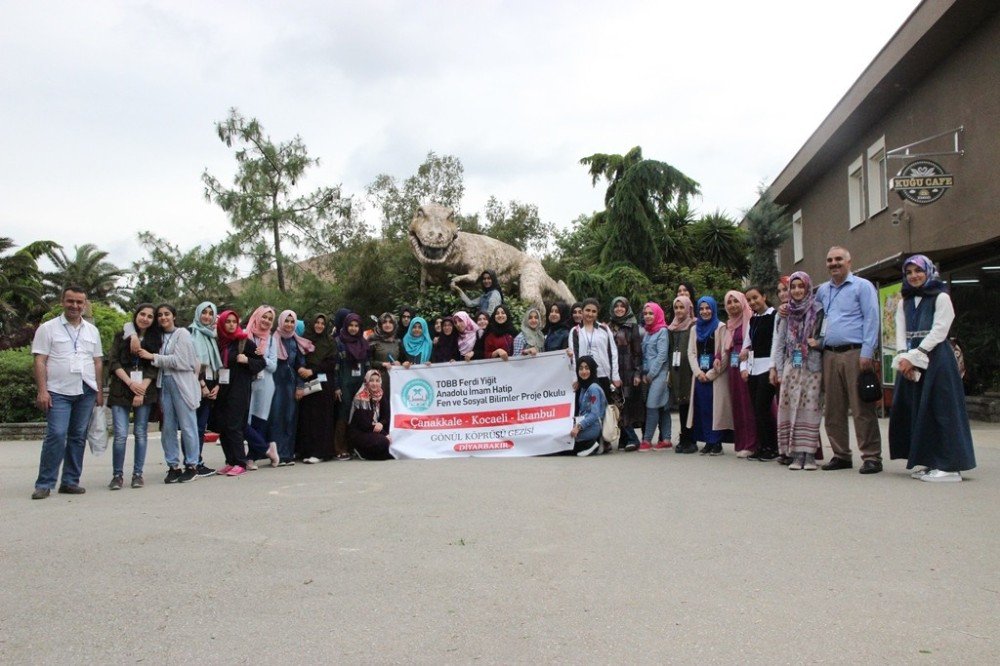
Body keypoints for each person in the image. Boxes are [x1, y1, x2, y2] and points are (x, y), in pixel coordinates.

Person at [889, 255, 975, 482]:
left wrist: (916, 356)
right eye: (909, 272)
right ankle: (930, 460)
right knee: (920, 410)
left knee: (941, 409)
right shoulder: (904, 301)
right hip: (912, 360)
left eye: (919, 271)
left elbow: (940, 330)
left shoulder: (941, 297)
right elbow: (900, 332)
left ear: (928, 272)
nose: (914, 276)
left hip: (937, 359)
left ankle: (949, 465)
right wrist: (902, 358)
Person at [31, 286, 104, 499]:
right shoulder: (48, 328)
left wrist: (98, 390)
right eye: (70, 301)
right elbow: (40, 360)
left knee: (78, 437)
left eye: (79, 302)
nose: (75, 306)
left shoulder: (92, 330)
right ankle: (44, 483)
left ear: (85, 304)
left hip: (86, 390)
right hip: (58, 391)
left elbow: (97, 362)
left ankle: (70, 481)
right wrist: (42, 391)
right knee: (56, 434)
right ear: (62, 301)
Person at [816, 246, 883, 474]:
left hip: (855, 353)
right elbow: (814, 317)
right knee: (833, 408)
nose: (833, 263)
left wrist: (867, 351)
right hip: (829, 354)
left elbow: (872, 318)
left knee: (861, 407)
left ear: (849, 262)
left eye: (838, 259)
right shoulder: (823, 291)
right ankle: (841, 454)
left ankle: (872, 456)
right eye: (829, 260)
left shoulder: (862, 287)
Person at [140, 304, 201, 484]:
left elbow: (182, 361)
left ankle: (192, 464)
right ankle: (173, 466)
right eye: (159, 315)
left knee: (188, 425)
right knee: (168, 427)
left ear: (174, 316)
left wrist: (153, 357)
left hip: (182, 383)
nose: (163, 318)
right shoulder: (156, 336)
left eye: (167, 314)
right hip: (164, 383)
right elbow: (133, 327)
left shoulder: (182, 334)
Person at [771, 273, 825, 470]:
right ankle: (794, 454)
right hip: (790, 367)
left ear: (808, 287)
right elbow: (779, 343)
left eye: (800, 286)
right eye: (793, 287)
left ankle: (809, 455)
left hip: (811, 366)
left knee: (810, 409)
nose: (796, 291)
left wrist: (817, 343)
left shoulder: (818, 310)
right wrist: (777, 369)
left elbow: (825, 335)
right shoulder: (786, 312)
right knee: (789, 409)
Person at [106, 303, 160, 490]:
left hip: (144, 389)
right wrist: (130, 383)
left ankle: (138, 474)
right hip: (122, 388)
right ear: (136, 315)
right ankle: (117, 475)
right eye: (142, 314)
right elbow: (113, 362)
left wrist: (141, 390)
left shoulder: (155, 339)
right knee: (120, 435)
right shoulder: (122, 335)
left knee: (140, 433)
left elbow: (154, 367)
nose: (145, 318)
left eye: (149, 316)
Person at [208, 310, 265, 476]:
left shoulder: (244, 342)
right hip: (222, 389)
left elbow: (261, 362)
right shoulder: (220, 343)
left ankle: (241, 462)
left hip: (239, 389)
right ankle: (230, 461)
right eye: (228, 322)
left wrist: (247, 360)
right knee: (223, 426)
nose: (232, 324)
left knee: (235, 425)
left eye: (234, 321)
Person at [687, 296, 733, 455]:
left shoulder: (720, 327)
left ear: (713, 309)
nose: (705, 311)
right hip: (700, 374)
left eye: (708, 308)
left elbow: (725, 354)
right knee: (702, 408)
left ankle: (717, 442)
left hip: (716, 374)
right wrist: (698, 372)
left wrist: (711, 374)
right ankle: (707, 441)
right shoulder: (694, 328)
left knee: (716, 408)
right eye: (701, 309)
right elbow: (691, 353)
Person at [269, 310, 313, 465]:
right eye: (286, 321)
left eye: (291, 321)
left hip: (291, 384)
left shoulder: (296, 341)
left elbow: (301, 365)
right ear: (281, 322)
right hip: (275, 384)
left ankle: (287, 454)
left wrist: (300, 386)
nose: (289, 324)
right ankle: (277, 454)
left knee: (290, 418)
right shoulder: (272, 339)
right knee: (276, 418)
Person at [741, 286, 779, 462]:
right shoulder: (753, 320)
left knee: (763, 407)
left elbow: (776, 343)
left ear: (764, 296)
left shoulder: (775, 316)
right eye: (749, 300)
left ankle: (772, 446)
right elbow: (747, 345)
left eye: (755, 298)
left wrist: (773, 366)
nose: (753, 302)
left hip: (768, 366)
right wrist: (744, 366)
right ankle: (762, 445)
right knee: (757, 409)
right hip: (753, 368)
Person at [297, 313, 337, 464]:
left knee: (322, 418)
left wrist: (312, 371)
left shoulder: (330, 342)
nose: (319, 325)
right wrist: (303, 370)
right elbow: (299, 358)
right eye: (317, 322)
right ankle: (307, 450)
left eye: (322, 323)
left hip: (323, 383)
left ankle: (320, 452)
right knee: (308, 417)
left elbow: (331, 363)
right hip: (307, 382)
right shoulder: (304, 340)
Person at [189, 301, 221, 477]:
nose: (207, 316)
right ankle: (192, 461)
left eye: (210, 313)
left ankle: (197, 460)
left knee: (201, 426)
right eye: (204, 312)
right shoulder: (192, 333)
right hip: (196, 385)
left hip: (210, 386)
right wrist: (202, 385)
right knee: (193, 426)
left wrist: (216, 385)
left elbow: (216, 365)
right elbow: (192, 363)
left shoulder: (212, 336)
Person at [722, 290, 757, 457]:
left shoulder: (749, 319)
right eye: (729, 302)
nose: (733, 305)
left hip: (747, 365)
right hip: (733, 366)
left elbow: (752, 343)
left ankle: (752, 444)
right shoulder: (730, 323)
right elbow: (725, 346)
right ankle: (742, 442)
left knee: (748, 405)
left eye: (736, 301)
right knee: (738, 404)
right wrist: (717, 357)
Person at [245, 305, 279, 467]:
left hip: (265, 384)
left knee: (259, 420)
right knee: (244, 421)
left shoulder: (272, 339)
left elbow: (273, 366)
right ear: (257, 316)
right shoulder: (245, 336)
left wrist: (262, 357)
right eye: (264, 317)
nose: (266, 321)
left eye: (270, 319)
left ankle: (251, 457)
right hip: (247, 382)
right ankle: (267, 448)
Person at [608, 297, 644, 451]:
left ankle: (632, 438)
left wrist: (637, 372)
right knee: (617, 403)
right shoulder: (609, 326)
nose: (619, 309)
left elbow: (637, 352)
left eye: (622, 307)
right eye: (616, 306)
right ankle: (625, 438)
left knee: (625, 404)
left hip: (629, 370)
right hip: (614, 370)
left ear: (627, 308)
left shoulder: (632, 326)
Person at [333, 313, 370, 461]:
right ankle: (339, 448)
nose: (353, 329)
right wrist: (336, 386)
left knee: (358, 414)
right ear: (345, 326)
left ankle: (353, 447)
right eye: (351, 325)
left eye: (356, 326)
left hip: (360, 382)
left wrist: (368, 384)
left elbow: (367, 364)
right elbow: (335, 367)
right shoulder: (338, 342)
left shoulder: (363, 343)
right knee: (343, 414)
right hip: (344, 382)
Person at [640, 302, 672, 450]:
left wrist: (651, 375)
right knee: (662, 406)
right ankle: (666, 439)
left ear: (657, 314)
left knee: (652, 405)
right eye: (645, 313)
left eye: (651, 313)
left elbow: (662, 356)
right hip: (649, 375)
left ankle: (646, 440)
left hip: (659, 374)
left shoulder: (662, 331)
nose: (647, 316)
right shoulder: (648, 332)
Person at [668, 295, 697, 454]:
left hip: (689, 370)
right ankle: (684, 437)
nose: (679, 311)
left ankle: (690, 438)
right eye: (676, 308)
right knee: (681, 404)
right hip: (677, 370)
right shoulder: (672, 328)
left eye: (682, 307)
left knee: (690, 404)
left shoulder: (693, 325)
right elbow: (671, 350)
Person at [348, 370, 393, 460]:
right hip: (361, 432)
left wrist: (381, 423)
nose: (374, 384)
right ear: (366, 382)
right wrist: (384, 434)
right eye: (371, 380)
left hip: (375, 429)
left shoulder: (381, 394)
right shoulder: (361, 397)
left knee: (393, 441)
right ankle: (360, 450)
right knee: (383, 441)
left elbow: (386, 416)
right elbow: (365, 424)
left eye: (377, 380)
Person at [570, 356, 607, 457]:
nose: (584, 371)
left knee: (565, 446)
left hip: (592, 427)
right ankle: (590, 445)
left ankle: (590, 445)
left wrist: (578, 426)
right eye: (581, 368)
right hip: (585, 425)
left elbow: (594, 414)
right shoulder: (584, 387)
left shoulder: (593, 388)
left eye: (587, 368)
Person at [369, 312, 402, 387]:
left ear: (394, 324)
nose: (387, 325)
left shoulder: (398, 341)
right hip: (377, 381)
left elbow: (404, 360)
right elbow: (368, 362)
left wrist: (399, 363)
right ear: (380, 324)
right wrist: (382, 364)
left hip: (396, 380)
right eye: (384, 322)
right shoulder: (373, 340)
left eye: (390, 322)